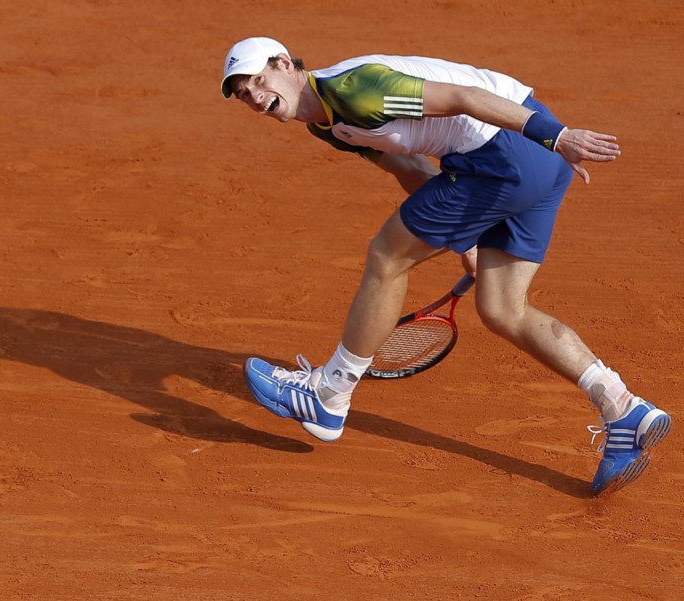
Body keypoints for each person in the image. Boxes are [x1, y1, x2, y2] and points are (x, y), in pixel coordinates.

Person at [220, 36, 671, 496]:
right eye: (243, 93)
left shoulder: (356, 91)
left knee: (386, 256)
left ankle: (328, 394)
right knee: (502, 309)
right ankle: (622, 408)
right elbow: (412, 166)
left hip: (513, 149)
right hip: (532, 161)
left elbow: (464, 99)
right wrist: (467, 236)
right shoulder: (326, 124)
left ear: (283, 63)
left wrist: (558, 137)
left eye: (259, 80)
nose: (255, 97)